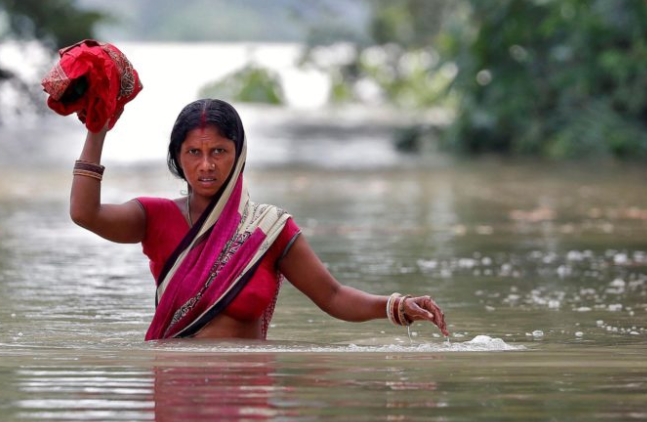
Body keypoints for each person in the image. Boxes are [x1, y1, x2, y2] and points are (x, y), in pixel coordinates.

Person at [70, 98, 449, 340]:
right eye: (193, 152)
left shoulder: (269, 229)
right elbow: (85, 214)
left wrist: (395, 305)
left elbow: (333, 296)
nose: (206, 165)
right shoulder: (154, 216)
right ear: (177, 157)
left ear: (239, 153)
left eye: (219, 150)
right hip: (176, 387)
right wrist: (96, 129)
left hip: (247, 394)